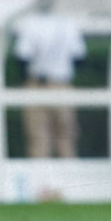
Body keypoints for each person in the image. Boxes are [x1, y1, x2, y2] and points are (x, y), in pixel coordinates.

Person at [13, 9, 86, 159]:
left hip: (38, 85)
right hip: (60, 85)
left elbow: (22, 58)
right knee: (62, 139)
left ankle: (46, 180)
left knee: (45, 139)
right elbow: (79, 58)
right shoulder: (68, 22)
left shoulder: (31, 23)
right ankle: (60, 178)